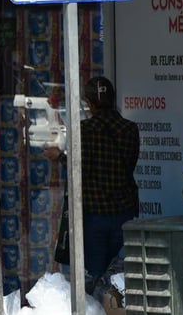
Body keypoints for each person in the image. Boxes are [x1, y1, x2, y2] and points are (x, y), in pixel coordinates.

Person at [45, 76, 140, 288]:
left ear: (89, 102)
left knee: (96, 275)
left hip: (93, 215)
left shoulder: (84, 130)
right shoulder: (130, 129)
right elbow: (130, 164)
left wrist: (58, 156)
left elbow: (80, 169)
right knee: (119, 276)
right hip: (124, 211)